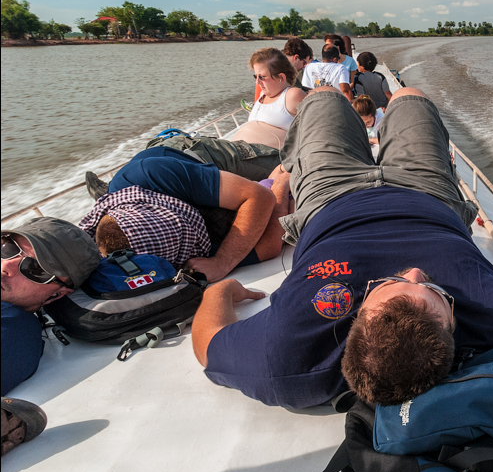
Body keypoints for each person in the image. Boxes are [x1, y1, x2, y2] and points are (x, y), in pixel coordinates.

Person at [192, 86, 493, 409]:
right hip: (428, 191)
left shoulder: (285, 355)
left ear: (355, 317)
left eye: (388, 283)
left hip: (330, 195)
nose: (413, 272)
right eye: (434, 288)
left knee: (323, 96)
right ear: (455, 328)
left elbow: (208, 345)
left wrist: (222, 289)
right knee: (409, 96)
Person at [78, 146, 288, 282]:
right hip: (140, 188)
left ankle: (108, 191)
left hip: (190, 158)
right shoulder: (168, 251)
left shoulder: (153, 173)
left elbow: (259, 197)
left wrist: (222, 262)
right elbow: (269, 245)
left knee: (285, 158)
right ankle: (108, 192)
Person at [1, 219, 100, 395]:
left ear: (58, 294)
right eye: (9, 248)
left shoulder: (13, 330)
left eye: (34, 269)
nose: (5, 266)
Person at [232, 48, 306, 150]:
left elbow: (318, 129)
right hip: (241, 156)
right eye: (256, 76)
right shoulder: (263, 95)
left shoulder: (292, 95)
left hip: (272, 161)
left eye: (262, 77)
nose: (257, 82)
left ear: (281, 77)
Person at [351, 95, 383, 160]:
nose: (365, 126)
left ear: (375, 114)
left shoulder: (383, 120)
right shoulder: (352, 119)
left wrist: (369, 140)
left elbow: (386, 140)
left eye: (368, 122)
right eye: (362, 122)